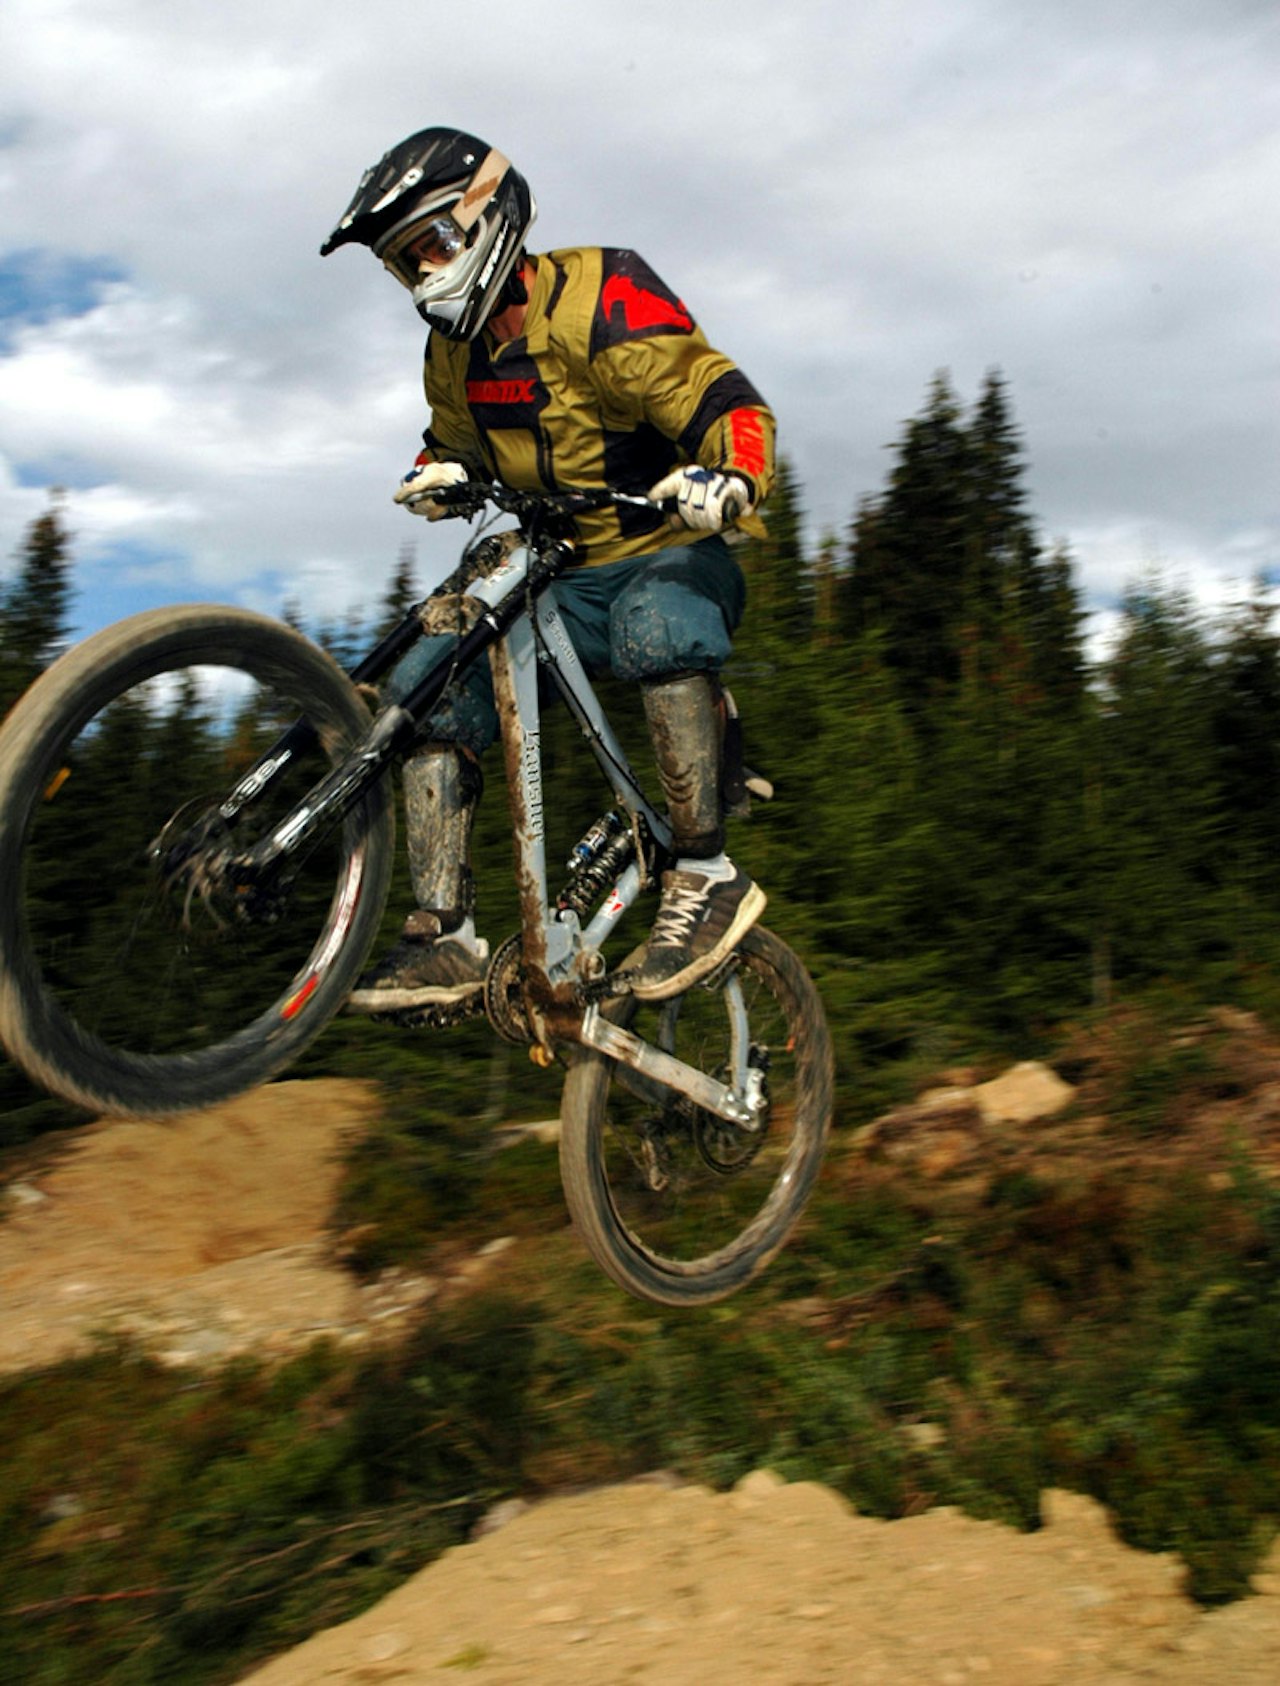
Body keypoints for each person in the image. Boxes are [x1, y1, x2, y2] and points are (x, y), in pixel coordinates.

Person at [320, 126, 775, 1011]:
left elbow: (726, 399)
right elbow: (449, 440)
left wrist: (731, 475)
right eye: (404, 263)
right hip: (559, 584)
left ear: (488, 219)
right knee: (426, 683)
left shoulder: (603, 295)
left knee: (655, 619)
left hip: (668, 554)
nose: (424, 275)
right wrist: (436, 473)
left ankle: (706, 874)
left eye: (433, 246)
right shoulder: (451, 353)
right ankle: (444, 935)